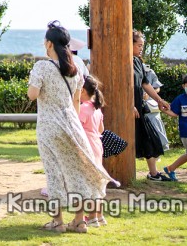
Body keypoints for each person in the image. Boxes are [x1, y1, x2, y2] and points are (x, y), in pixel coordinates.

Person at [27, 21, 117, 233]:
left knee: (54, 172)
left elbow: (32, 94)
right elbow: (76, 101)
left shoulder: (42, 66)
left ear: (49, 44)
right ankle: (79, 221)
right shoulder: (75, 70)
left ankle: (57, 221)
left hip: (49, 125)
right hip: (72, 124)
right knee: (76, 171)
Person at [131, 31, 173, 181]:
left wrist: (159, 100)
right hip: (129, 109)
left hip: (139, 107)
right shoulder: (123, 61)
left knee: (150, 138)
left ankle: (153, 174)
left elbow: (145, 84)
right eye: (139, 45)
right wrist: (130, 105)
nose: (141, 48)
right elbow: (121, 86)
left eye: (142, 45)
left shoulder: (137, 62)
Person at [78, 74, 107, 227]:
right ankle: (99, 216)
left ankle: (92, 217)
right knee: (97, 181)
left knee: (88, 182)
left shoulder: (83, 108)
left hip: (87, 147)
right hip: (97, 145)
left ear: (82, 90)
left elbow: (77, 129)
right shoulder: (96, 108)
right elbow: (101, 129)